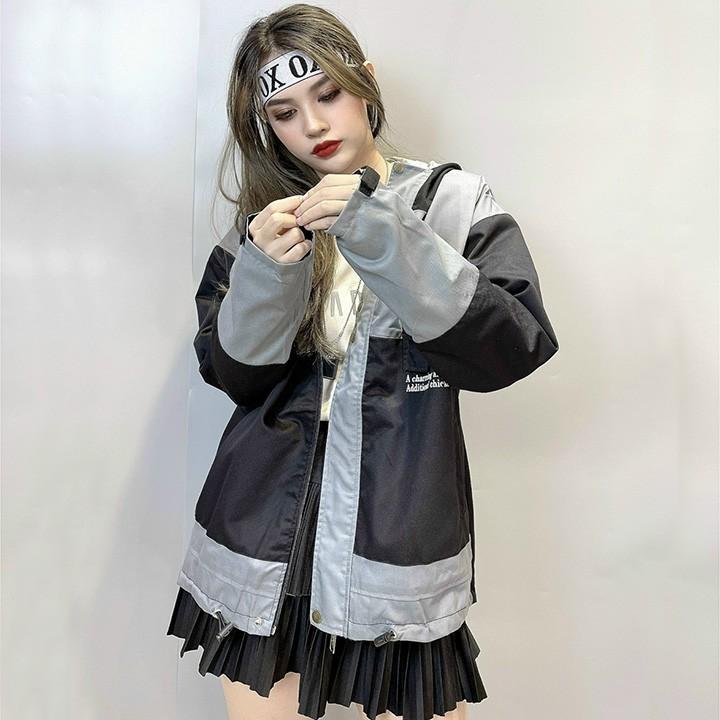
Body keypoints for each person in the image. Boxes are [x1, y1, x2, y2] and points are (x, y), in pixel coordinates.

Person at [166, 3, 560, 719]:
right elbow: (234, 379)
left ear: (365, 81)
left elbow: (511, 349)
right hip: (260, 540)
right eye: (284, 112)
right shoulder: (265, 224)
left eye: (328, 93)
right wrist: (265, 273)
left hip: (396, 539)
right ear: (266, 126)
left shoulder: (452, 203)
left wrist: (386, 236)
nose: (313, 124)